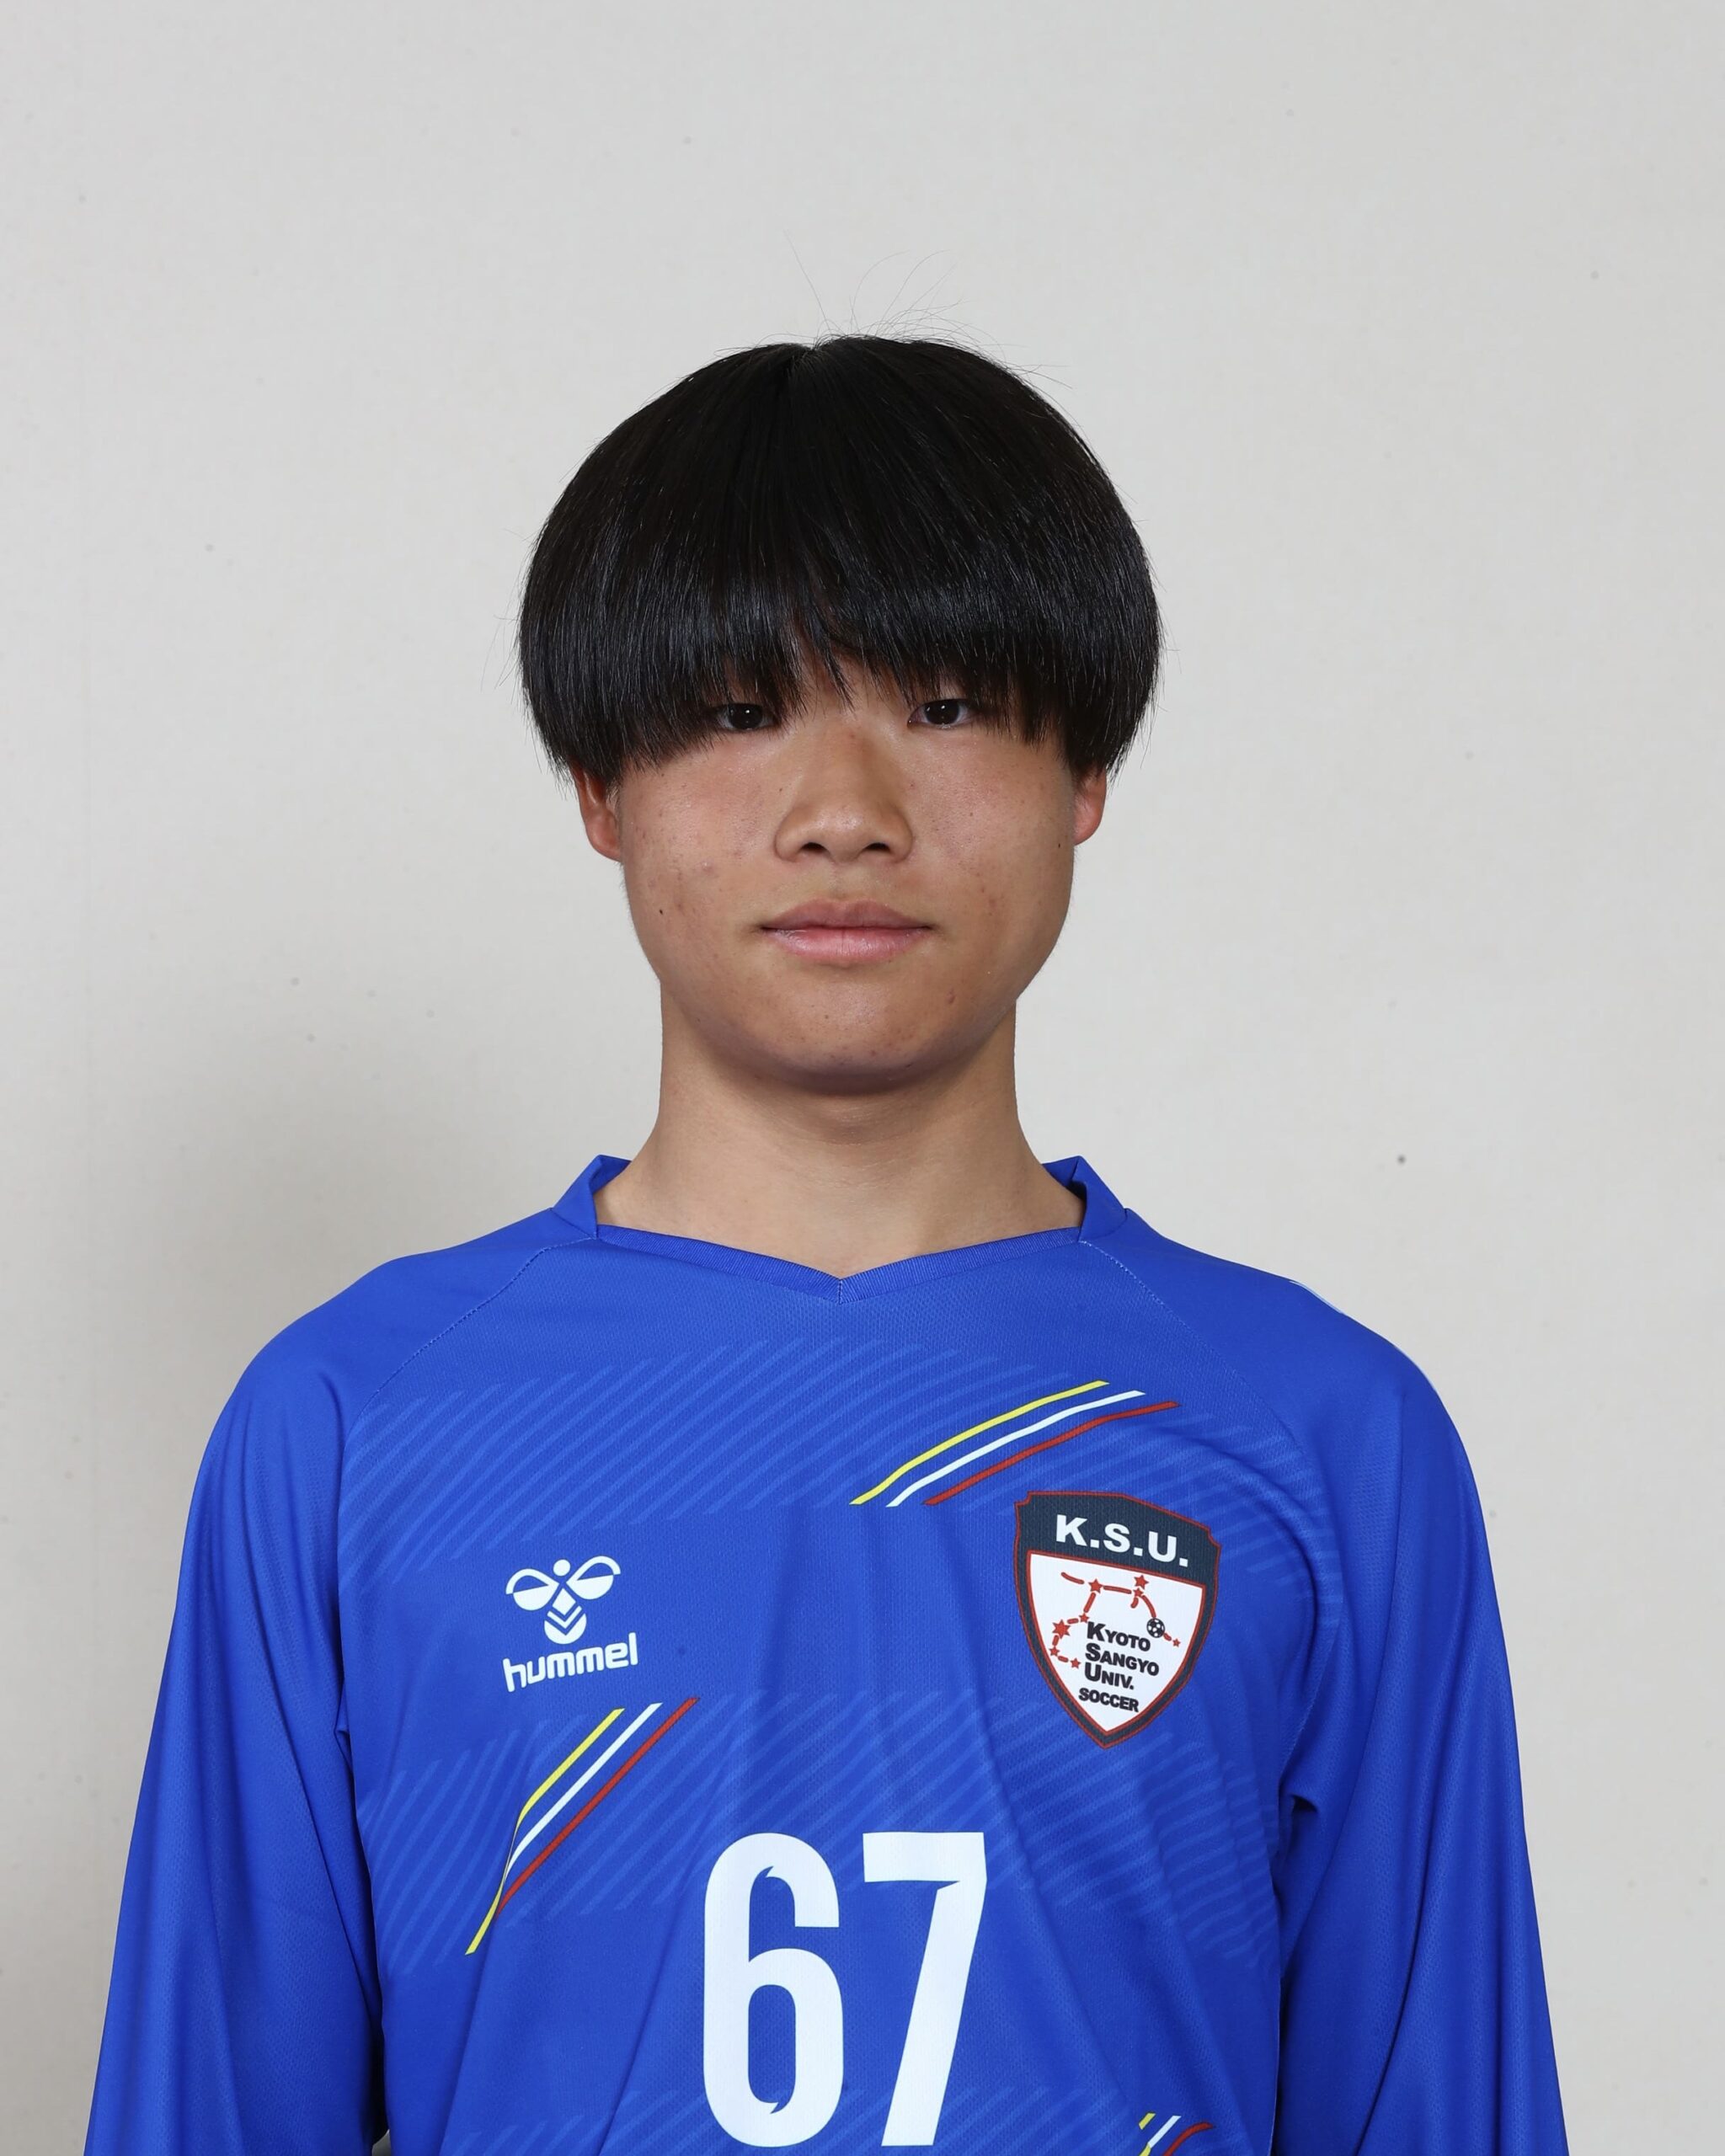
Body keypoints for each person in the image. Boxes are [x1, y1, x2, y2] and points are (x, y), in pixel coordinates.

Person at [82, 334, 1569, 2155]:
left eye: (945, 705)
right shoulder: (350, 1425)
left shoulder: (1324, 1434)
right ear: (599, 787)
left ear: (1084, 769)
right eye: (735, 711)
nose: (846, 809)